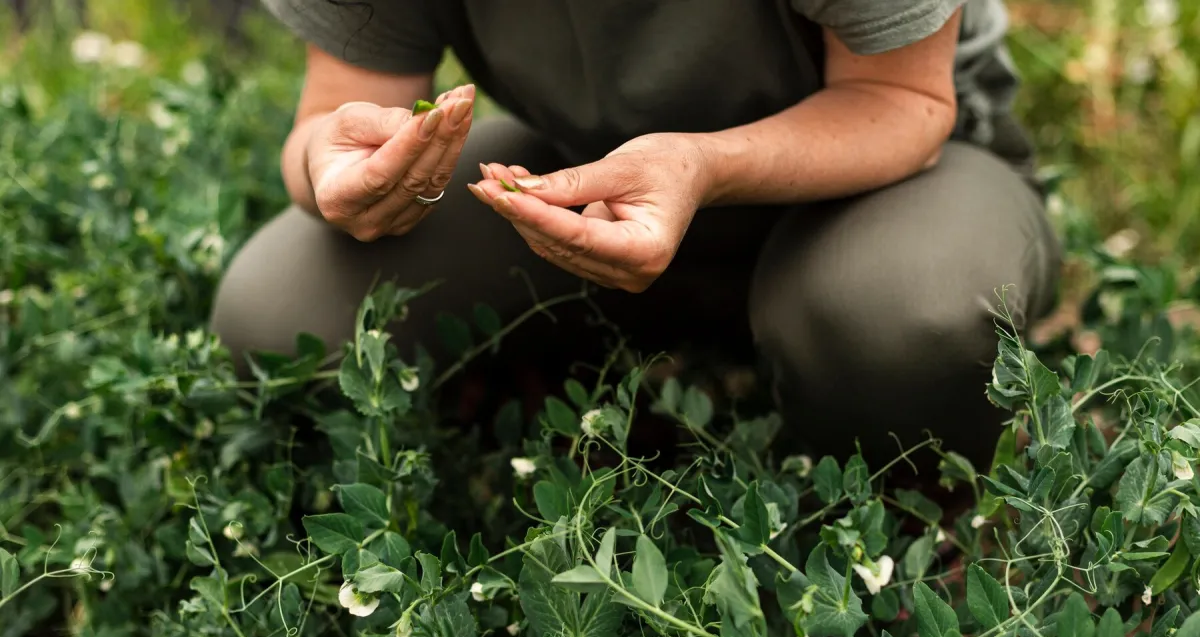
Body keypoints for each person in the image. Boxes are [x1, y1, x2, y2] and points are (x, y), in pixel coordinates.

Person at [211, 0, 1062, 473]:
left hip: (890, 175)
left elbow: (904, 101)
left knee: (903, 320)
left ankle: (922, 518)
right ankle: (596, 364)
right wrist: (338, 166)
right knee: (283, 315)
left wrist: (701, 167)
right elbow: (330, 111)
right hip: (600, 170)